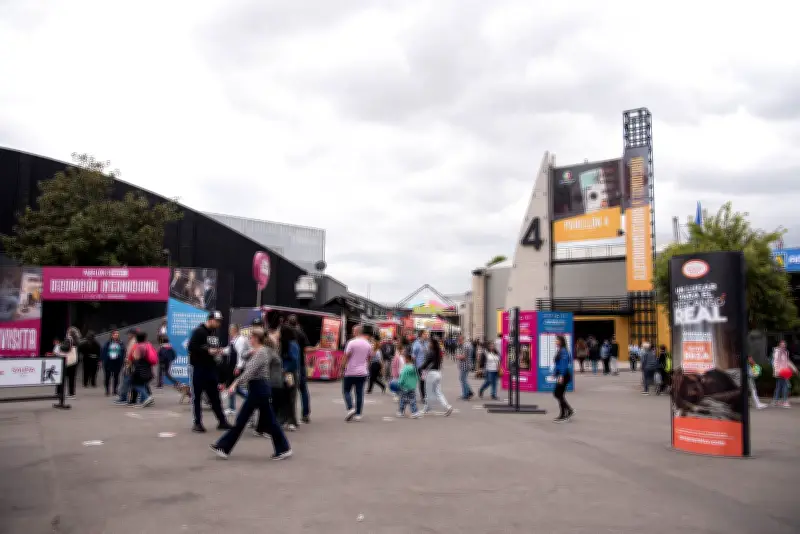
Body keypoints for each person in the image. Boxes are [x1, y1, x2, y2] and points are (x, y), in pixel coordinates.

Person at [210, 327, 292, 460]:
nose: (249, 339)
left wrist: (234, 384)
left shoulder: (262, 353)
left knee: (244, 420)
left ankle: (224, 446)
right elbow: (243, 355)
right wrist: (250, 352)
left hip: (259, 388)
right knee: (267, 421)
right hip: (258, 389)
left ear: (256, 338)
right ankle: (283, 448)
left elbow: (250, 371)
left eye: (251, 337)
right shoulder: (258, 351)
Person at [188, 311, 232, 433]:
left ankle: (222, 421)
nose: (219, 324)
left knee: (215, 396)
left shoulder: (215, 333)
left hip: (211, 368)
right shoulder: (199, 331)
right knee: (197, 396)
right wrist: (208, 351)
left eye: (220, 321)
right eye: (217, 321)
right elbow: (191, 347)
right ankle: (197, 423)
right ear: (210, 319)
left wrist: (219, 353)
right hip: (199, 368)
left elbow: (215, 348)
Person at [341, 325, 371, 422]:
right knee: (359, 393)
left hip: (350, 371)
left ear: (356, 332)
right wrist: (366, 366)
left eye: (353, 330)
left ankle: (350, 408)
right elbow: (369, 357)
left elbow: (346, 356)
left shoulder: (351, 343)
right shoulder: (368, 344)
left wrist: (342, 367)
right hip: (362, 372)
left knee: (346, 391)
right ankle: (358, 414)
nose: (352, 332)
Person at [287, 315, 312, 424]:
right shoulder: (301, 333)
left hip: (288, 366)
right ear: (297, 323)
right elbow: (306, 349)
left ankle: (289, 416)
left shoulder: (285, 333)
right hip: (300, 365)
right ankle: (305, 414)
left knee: (289, 391)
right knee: (303, 390)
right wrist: (316, 348)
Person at [420, 337, 454, 415]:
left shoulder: (431, 352)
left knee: (428, 392)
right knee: (438, 392)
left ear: (432, 344)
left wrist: (420, 368)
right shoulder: (438, 352)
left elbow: (426, 363)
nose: (428, 344)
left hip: (431, 374)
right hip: (438, 373)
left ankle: (426, 408)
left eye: (429, 343)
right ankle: (447, 406)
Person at [276, 325, 300, 431]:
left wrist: (285, 369)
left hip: (290, 374)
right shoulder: (284, 344)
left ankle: (291, 421)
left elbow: (294, 361)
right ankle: (285, 419)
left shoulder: (292, 344)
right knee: (284, 397)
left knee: (290, 397)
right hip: (285, 373)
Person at [221, 324, 247, 415]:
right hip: (232, 366)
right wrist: (222, 350)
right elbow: (230, 350)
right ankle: (231, 408)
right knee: (233, 387)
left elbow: (240, 355)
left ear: (234, 330)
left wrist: (238, 367)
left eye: (230, 330)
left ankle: (251, 399)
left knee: (235, 387)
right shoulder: (234, 340)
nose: (229, 332)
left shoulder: (240, 340)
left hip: (236, 367)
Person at [390, 351, 422, 418]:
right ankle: (415, 412)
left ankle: (401, 412)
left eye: (405, 358)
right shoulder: (414, 367)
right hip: (412, 387)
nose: (404, 359)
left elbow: (402, 377)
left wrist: (399, 383)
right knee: (412, 399)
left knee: (402, 399)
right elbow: (417, 377)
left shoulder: (405, 368)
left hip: (404, 387)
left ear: (407, 359)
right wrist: (414, 383)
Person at [552, 335, 574, 422]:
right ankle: (564, 413)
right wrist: (555, 373)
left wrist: (561, 375)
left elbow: (563, 365)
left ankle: (567, 412)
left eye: (557, 340)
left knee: (557, 393)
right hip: (561, 375)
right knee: (559, 394)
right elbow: (558, 364)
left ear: (561, 341)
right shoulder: (560, 350)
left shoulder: (564, 351)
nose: (555, 341)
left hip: (564, 375)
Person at [130, 340, 155, 408]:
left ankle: (147, 397)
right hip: (147, 372)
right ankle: (143, 400)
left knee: (136, 385)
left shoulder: (139, 348)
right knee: (143, 384)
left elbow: (135, 359)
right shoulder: (148, 347)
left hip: (141, 372)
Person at [771, 340, 796, 408]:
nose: (783, 345)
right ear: (779, 345)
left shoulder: (785, 352)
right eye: (782, 344)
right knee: (786, 386)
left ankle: (775, 401)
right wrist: (776, 371)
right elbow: (775, 362)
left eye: (784, 344)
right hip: (780, 371)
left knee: (779, 386)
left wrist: (793, 368)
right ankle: (785, 402)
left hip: (785, 371)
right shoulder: (777, 352)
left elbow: (787, 361)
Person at [101, 330, 125, 396]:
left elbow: (123, 352)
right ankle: (107, 390)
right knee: (107, 377)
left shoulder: (121, 343)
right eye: (115, 334)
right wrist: (102, 360)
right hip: (108, 362)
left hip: (117, 362)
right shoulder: (107, 343)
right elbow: (103, 352)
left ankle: (115, 390)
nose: (116, 336)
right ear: (112, 335)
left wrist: (122, 360)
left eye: (117, 335)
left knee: (116, 377)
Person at [411, 331, 428, 406]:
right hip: (420, 366)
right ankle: (423, 397)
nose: (426, 335)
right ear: (421, 335)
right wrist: (414, 365)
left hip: (426, 366)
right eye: (425, 334)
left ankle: (424, 396)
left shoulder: (426, 343)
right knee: (422, 381)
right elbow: (413, 355)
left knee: (424, 381)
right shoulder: (416, 343)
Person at [456, 336, 474, 400]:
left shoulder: (465, 346)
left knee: (463, 379)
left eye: (459, 340)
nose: (458, 342)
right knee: (463, 379)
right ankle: (469, 392)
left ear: (461, 339)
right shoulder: (468, 345)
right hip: (467, 364)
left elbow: (464, 356)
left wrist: (457, 356)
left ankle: (466, 395)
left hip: (465, 365)